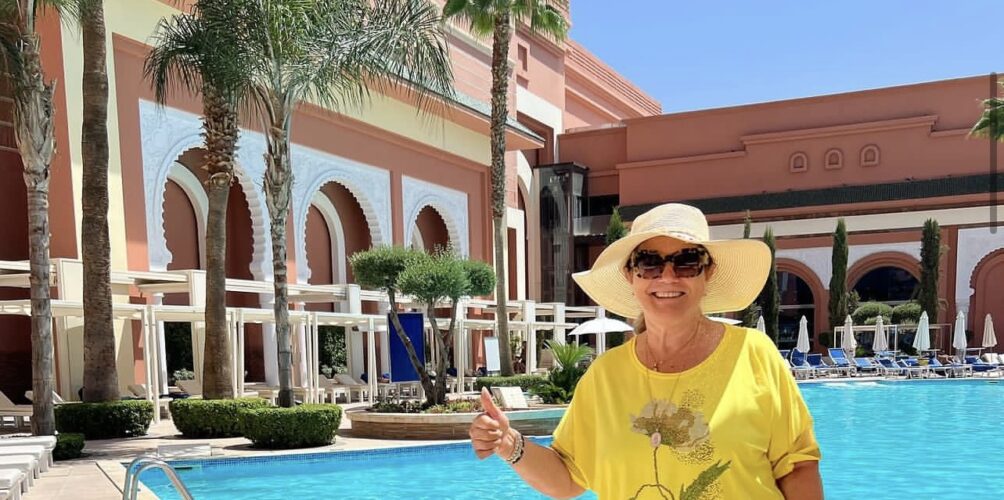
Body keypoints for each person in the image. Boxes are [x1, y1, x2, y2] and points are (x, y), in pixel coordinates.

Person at [470, 203, 823, 499]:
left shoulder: (754, 355)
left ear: (707, 273)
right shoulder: (606, 377)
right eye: (649, 262)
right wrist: (509, 443)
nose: (667, 276)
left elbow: (798, 468)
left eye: (686, 260)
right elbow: (569, 477)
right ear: (631, 275)